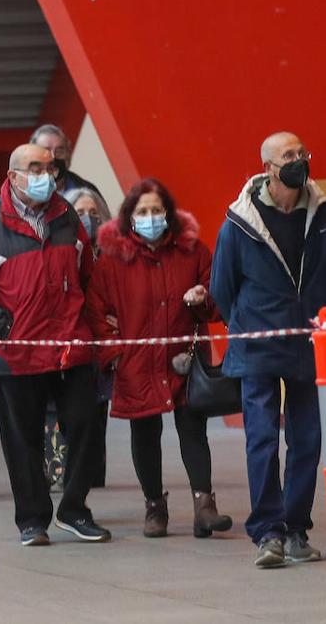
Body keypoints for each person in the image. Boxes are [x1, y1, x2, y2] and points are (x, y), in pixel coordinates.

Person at [0, 143, 110, 546]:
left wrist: (97, 334)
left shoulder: (67, 216)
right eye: (36, 168)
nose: (47, 174)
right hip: (17, 353)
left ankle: (74, 508)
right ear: (13, 177)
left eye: (50, 167)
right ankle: (32, 519)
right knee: (22, 441)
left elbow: (87, 276)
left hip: (70, 346)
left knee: (87, 427)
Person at [211, 131, 326, 569]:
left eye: (302, 152)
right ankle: (268, 533)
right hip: (257, 345)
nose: (300, 160)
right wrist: (248, 324)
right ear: (267, 167)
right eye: (289, 155)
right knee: (262, 439)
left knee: (307, 440)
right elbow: (222, 288)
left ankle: (296, 529)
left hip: (308, 343)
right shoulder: (238, 222)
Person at [84, 178, 233, 538]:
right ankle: (154, 506)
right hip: (137, 360)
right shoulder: (111, 260)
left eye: (156, 210)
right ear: (129, 218)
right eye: (142, 212)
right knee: (145, 431)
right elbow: (96, 310)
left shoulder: (193, 251)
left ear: (169, 213)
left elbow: (217, 301)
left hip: (185, 357)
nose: (151, 217)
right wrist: (114, 353)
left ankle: (204, 506)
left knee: (193, 427)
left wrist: (202, 300)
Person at [44, 186, 114, 491]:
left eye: (94, 213)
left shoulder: (113, 255)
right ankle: (57, 472)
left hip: (100, 347)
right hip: (63, 340)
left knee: (96, 411)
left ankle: (90, 472)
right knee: (55, 412)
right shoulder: (59, 248)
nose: (88, 219)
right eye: (81, 213)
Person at [30, 123, 103, 195]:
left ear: (69, 154)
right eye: (46, 151)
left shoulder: (89, 191)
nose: (53, 157)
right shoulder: (23, 193)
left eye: (59, 151)